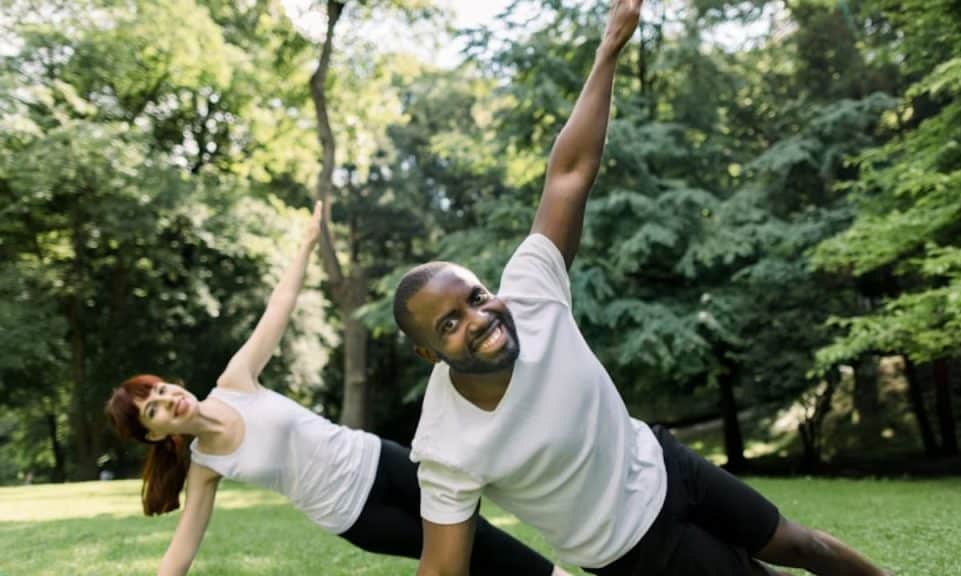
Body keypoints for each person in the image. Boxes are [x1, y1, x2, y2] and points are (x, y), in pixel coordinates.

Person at [392, 2, 889, 575]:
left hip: (666, 464)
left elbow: (569, 173)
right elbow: (442, 569)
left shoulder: (530, 292)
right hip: (631, 550)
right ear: (429, 353)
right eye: (449, 324)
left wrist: (609, 49)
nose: (478, 319)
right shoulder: (445, 445)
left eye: (475, 298)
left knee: (804, 546)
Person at [106, 202, 567, 576]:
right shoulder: (205, 468)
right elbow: (183, 548)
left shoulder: (235, 383)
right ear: (155, 435)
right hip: (354, 514)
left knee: (472, 527)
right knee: (455, 552)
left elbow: (279, 308)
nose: (169, 401)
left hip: (376, 457)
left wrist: (305, 246)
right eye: (155, 411)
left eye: (161, 390)